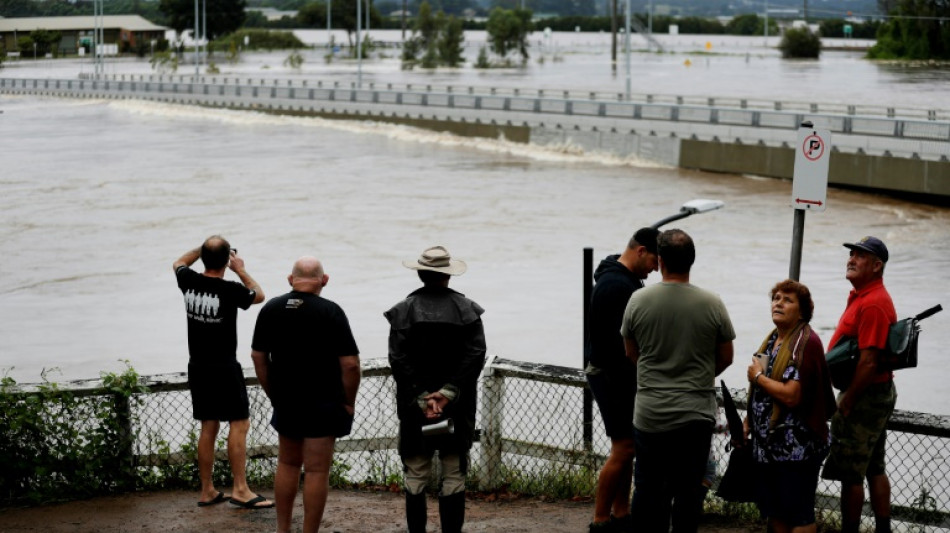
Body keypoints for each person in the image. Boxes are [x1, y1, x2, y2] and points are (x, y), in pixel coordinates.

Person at [619, 229, 735, 533]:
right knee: (688, 490)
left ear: (660, 260)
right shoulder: (712, 303)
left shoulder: (638, 300)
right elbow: (727, 356)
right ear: (692, 261)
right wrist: (696, 376)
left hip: (650, 413)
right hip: (695, 414)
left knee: (647, 487)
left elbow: (632, 353)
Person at [250, 256, 361, 533]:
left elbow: (258, 356)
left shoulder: (271, 309)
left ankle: (283, 530)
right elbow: (350, 364)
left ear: (291, 279)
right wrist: (348, 401)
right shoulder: (331, 311)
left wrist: (273, 394)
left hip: (287, 399)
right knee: (316, 471)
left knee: (287, 464)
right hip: (324, 403)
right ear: (324, 280)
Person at [384, 246, 486, 533]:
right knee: (454, 470)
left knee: (416, 472)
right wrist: (448, 391)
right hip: (458, 404)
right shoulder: (467, 311)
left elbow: (398, 359)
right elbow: (476, 354)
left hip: (414, 406)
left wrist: (422, 396)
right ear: (448, 276)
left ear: (420, 273)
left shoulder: (403, 311)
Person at [172, 236, 272, 508]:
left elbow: (178, 262)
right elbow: (259, 295)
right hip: (224, 366)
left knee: (209, 426)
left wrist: (203, 250)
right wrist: (239, 268)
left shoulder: (188, 281)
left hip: (198, 366)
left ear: (203, 257)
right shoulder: (230, 289)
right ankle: (240, 489)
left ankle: (207, 490)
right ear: (226, 260)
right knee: (239, 424)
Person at [744, 280, 836, 533]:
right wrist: (748, 422)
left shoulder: (803, 343)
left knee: (800, 516)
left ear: (802, 311)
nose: (778, 303)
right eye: (775, 298)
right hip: (769, 446)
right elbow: (760, 393)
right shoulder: (772, 339)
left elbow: (792, 396)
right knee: (776, 513)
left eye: (787, 300)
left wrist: (758, 377)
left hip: (797, 448)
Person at [821, 236, 898, 533]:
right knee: (874, 467)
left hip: (864, 395)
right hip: (871, 392)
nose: (851, 259)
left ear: (877, 266)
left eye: (860, 256)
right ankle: (883, 529)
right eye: (851, 254)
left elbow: (869, 361)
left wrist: (849, 399)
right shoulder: (863, 296)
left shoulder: (874, 303)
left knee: (851, 474)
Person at [585, 227, 659, 532]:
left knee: (626, 447)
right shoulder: (617, 286)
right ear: (641, 251)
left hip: (610, 372)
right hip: (611, 374)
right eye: (655, 260)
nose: (656, 269)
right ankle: (601, 520)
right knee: (625, 448)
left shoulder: (617, 276)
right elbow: (617, 345)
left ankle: (621, 512)